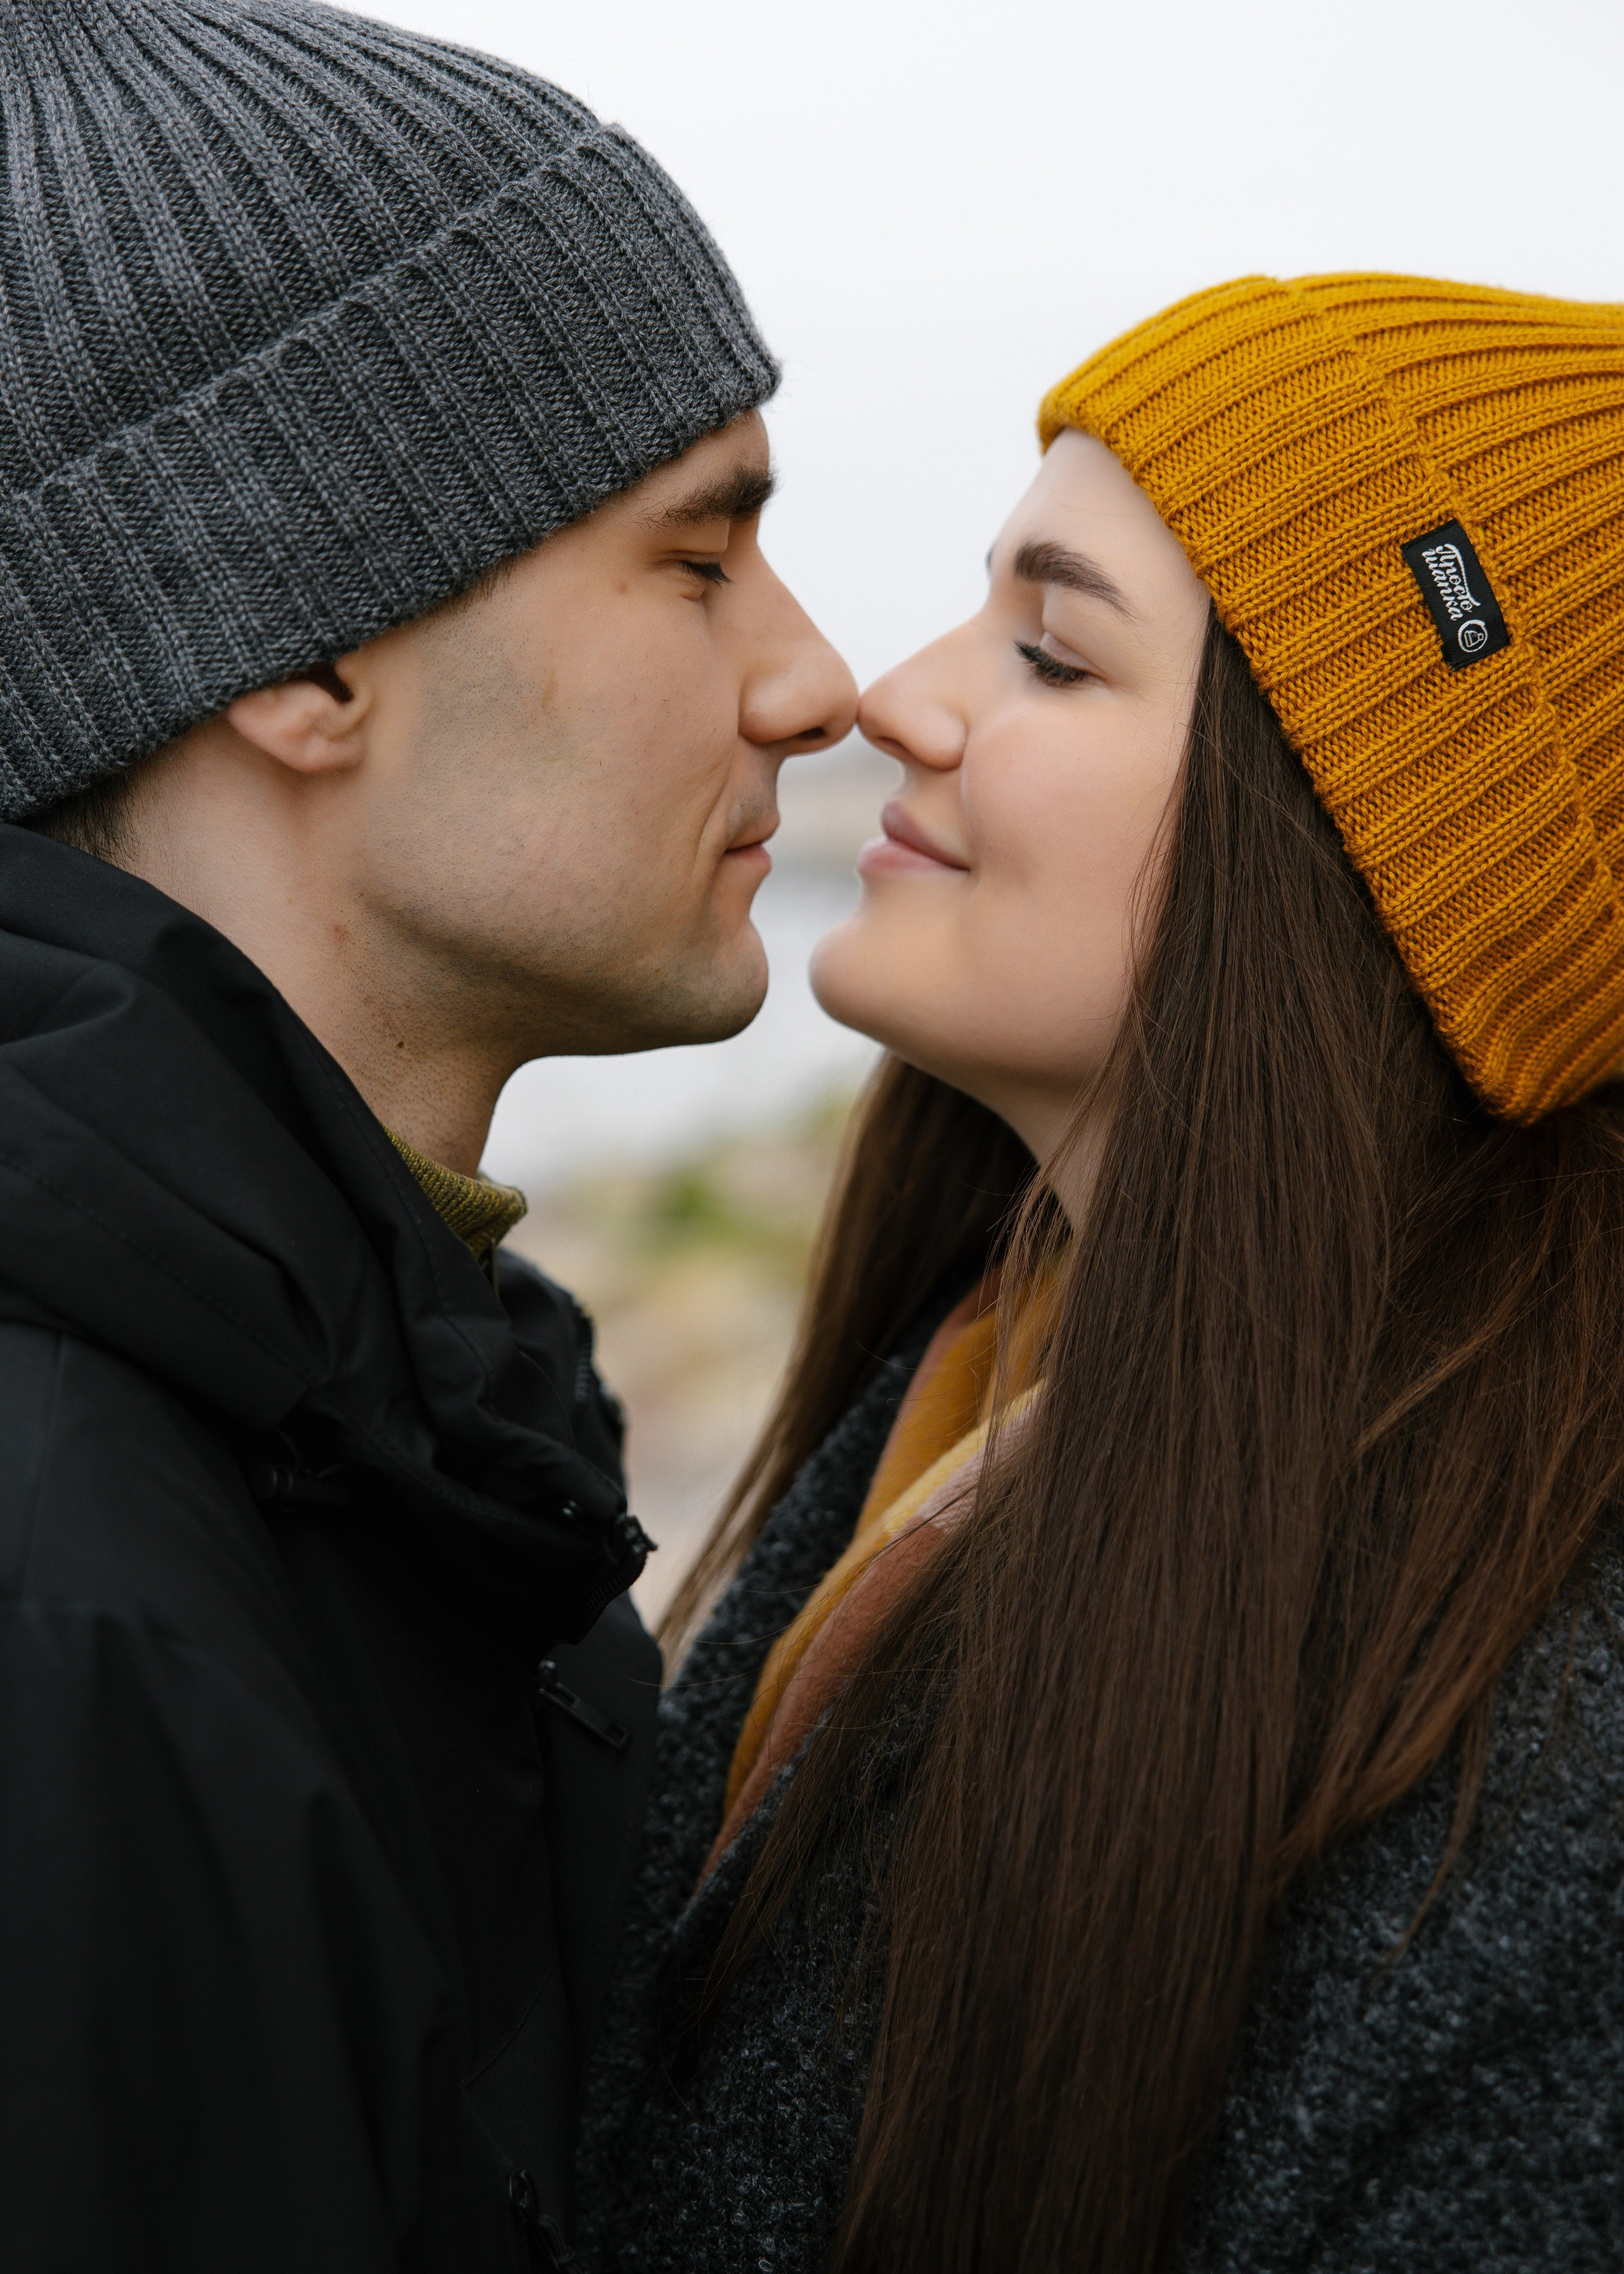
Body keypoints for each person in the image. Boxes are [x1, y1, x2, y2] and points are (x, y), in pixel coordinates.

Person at [577, 273, 1624, 2274]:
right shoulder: (979, 1386)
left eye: (1053, 654)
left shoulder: (1537, 1794)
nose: (898, 694)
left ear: (1360, 857)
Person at [0, 4, 855, 2270]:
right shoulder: (72, 1611)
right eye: (699, 560)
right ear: (297, 654)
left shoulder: (403, 1406)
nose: (819, 683)